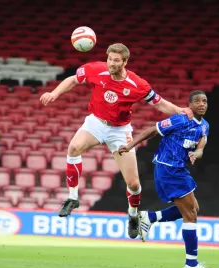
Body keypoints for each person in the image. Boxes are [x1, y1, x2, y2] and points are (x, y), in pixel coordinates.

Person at [40, 43, 193, 239]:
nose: (111, 64)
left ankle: (132, 214)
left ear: (125, 62)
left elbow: (159, 103)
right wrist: (54, 93)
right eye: (110, 59)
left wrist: (179, 110)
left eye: (116, 61)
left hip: (120, 131)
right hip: (96, 122)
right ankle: (72, 197)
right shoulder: (95, 69)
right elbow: (72, 80)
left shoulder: (138, 84)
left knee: (134, 183)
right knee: (74, 147)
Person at [118, 90, 213, 268]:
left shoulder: (205, 126)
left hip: (178, 169)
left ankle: (150, 217)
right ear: (190, 105)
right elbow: (152, 130)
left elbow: (202, 141)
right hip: (168, 167)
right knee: (191, 214)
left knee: (193, 209)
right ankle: (191, 264)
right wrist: (130, 146)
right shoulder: (180, 119)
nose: (202, 104)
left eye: (205, 101)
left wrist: (198, 152)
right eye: (198, 101)